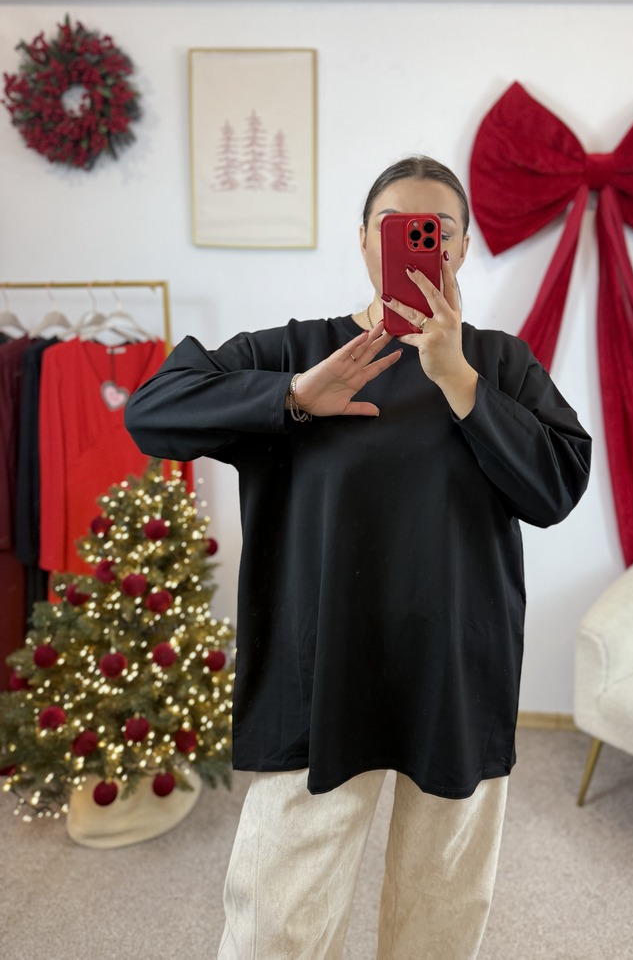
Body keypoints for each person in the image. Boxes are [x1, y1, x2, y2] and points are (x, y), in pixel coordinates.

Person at [125, 155, 591, 959]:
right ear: (365, 240)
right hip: (317, 669)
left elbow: (555, 489)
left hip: (455, 668)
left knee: (440, 908)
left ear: (461, 247)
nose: (418, 243)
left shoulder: (498, 364)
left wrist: (459, 382)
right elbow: (151, 411)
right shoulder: (296, 351)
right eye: (396, 226)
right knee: (275, 922)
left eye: (436, 230)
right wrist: (290, 397)